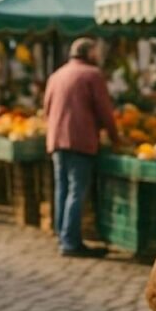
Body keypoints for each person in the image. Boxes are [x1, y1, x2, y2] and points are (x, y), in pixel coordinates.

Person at [43, 37, 119, 258]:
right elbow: (104, 111)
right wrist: (115, 137)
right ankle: (70, 242)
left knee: (62, 188)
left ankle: (63, 235)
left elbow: (46, 108)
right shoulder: (92, 75)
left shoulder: (57, 75)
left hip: (57, 140)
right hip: (80, 140)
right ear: (90, 53)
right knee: (76, 190)